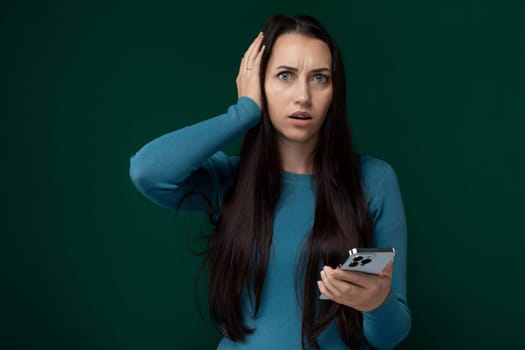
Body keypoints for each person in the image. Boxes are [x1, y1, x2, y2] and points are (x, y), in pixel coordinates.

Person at [129, 14, 411, 350]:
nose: (303, 96)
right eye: (285, 76)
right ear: (259, 83)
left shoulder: (373, 181)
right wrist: (244, 112)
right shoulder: (228, 179)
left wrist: (376, 303)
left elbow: (389, 336)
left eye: (319, 78)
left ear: (335, 91)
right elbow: (147, 171)